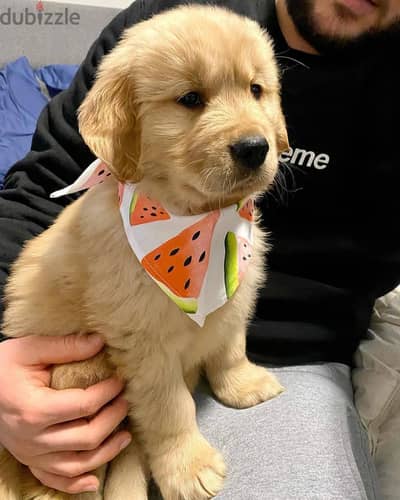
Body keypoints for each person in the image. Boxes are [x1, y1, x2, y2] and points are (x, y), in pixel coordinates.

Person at [0, 0, 399, 497]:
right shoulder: (161, 28)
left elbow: (235, 286)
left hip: (296, 362)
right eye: (191, 98)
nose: (252, 133)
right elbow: (37, 189)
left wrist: (229, 368)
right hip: (82, 360)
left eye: (257, 91)